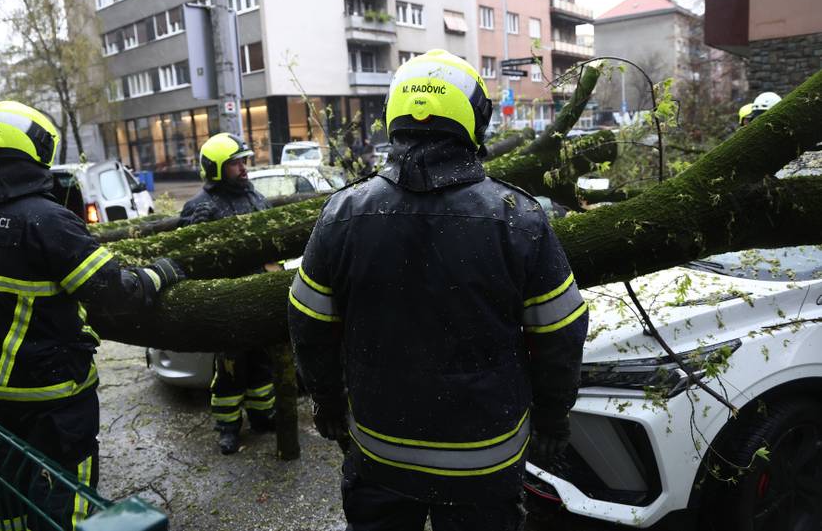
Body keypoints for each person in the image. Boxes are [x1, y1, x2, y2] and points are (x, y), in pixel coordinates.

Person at [288, 50, 589, 530]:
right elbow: (561, 333)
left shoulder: (343, 214)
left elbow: (308, 324)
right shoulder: (519, 218)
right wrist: (553, 417)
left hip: (378, 451)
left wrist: (326, 401)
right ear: (474, 120)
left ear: (394, 118)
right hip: (485, 461)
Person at [0, 101, 184, 530]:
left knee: (10, 480)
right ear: (36, 149)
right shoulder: (49, 222)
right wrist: (158, 275)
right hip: (55, 389)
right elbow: (115, 293)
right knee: (71, 487)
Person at [179, 132, 276, 454]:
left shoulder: (253, 197)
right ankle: (228, 427)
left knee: (262, 367)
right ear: (218, 168)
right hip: (226, 305)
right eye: (236, 163)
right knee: (230, 373)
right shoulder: (200, 207)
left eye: (244, 161)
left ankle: (263, 417)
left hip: (258, 298)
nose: (244, 168)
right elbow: (189, 258)